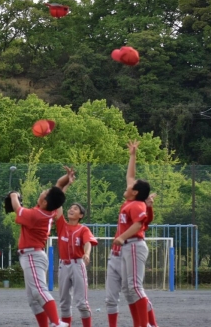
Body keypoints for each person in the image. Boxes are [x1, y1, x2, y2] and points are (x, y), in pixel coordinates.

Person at [8, 166, 75, 327]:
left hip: (32, 255)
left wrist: (13, 195)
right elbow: (58, 189)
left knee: (39, 291)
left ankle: (57, 322)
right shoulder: (46, 210)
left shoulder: (37, 215)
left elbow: (17, 208)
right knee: (33, 299)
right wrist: (67, 179)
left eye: (43, 193)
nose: (42, 192)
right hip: (31, 256)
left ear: (45, 202)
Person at [111, 140, 152, 327]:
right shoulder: (132, 201)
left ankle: (145, 324)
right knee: (129, 289)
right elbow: (131, 175)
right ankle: (140, 324)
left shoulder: (136, 204)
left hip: (134, 245)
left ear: (134, 192)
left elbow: (138, 225)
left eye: (130, 186)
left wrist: (121, 237)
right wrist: (133, 156)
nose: (127, 185)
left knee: (135, 287)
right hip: (129, 247)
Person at [105, 192, 159, 327]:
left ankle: (151, 323)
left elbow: (144, 222)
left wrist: (148, 207)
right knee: (115, 296)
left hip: (128, 250)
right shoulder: (127, 206)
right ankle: (141, 324)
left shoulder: (137, 209)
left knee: (134, 289)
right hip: (116, 254)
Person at [54, 203, 98, 327]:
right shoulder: (62, 225)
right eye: (70, 208)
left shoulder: (83, 229)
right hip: (63, 265)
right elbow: (59, 207)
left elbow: (88, 242)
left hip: (77, 265)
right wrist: (64, 187)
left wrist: (87, 254)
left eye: (75, 209)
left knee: (82, 303)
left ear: (81, 215)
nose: (71, 210)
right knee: (64, 303)